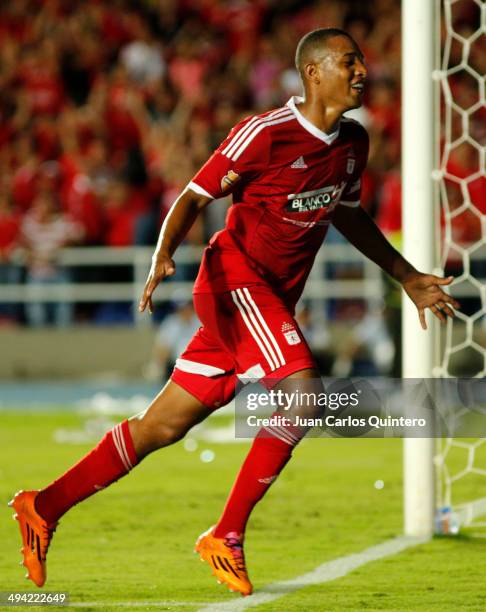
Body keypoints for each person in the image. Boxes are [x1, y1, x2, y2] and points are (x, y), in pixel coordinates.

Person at [10, 28, 459, 596]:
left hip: (268, 299)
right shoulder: (264, 134)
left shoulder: (352, 144)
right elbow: (196, 194)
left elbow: (348, 214)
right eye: (350, 61)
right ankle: (226, 535)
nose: (363, 70)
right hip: (235, 283)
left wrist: (408, 277)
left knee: (161, 427)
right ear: (315, 72)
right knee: (304, 394)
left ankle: (43, 506)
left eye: (362, 61)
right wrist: (163, 254)